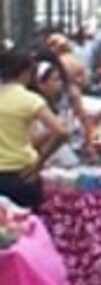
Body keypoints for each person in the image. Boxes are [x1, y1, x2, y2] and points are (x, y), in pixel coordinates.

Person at [0, 49, 67, 210]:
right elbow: (61, 132)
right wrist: (41, 162)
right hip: (23, 174)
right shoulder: (30, 100)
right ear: (26, 72)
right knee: (27, 227)